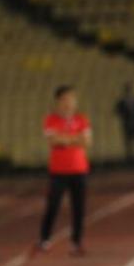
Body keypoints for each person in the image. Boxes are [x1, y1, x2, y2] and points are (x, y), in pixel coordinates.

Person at [36, 85, 91, 256]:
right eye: (66, 99)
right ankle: (44, 239)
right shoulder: (51, 120)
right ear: (59, 101)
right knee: (52, 205)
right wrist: (75, 139)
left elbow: (87, 142)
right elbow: (54, 142)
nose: (70, 103)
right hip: (58, 171)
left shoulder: (82, 119)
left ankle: (76, 242)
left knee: (79, 208)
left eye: (72, 99)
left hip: (79, 169)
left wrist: (65, 139)